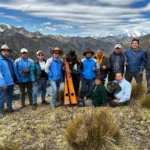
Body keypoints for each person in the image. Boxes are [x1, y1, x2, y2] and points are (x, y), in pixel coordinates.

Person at [0, 44, 20, 118]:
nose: (6, 52)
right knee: (2, 98)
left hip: (11, 82)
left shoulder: (10, 60)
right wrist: (2, 83)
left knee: (9, 96)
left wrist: (16, 80)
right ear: (1, 51)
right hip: (3, 83)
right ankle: (0, 112)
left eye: (7, 51)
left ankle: (9, 109)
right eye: (4, 50)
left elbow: (13, 71)